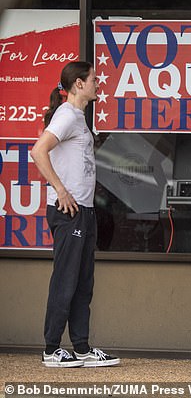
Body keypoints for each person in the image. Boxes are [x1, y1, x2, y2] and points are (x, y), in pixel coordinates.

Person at [30, 61, 120, 368]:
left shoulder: (78, 118)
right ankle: (51, 348)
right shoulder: (66, 115)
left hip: (85, 210)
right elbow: (38, 150)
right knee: (66, 281)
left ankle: (81, 348)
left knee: (83, 283)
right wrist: (61, 190)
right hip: (68, 210)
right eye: (94, 79)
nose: (99, 83)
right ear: (78, 84)